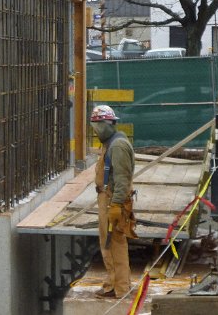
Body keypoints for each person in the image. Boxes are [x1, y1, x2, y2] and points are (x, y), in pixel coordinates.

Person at [91, 105, 137, 299]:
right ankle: (113, 284)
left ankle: (121, 289)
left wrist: (117, 205)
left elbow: (122, 178)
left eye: (96, 126)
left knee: (115, 243)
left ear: (106, 124)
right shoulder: (110, 143)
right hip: (106, 198)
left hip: (113, 200)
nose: (95, 131)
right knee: (107, 243)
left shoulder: (117, 146)